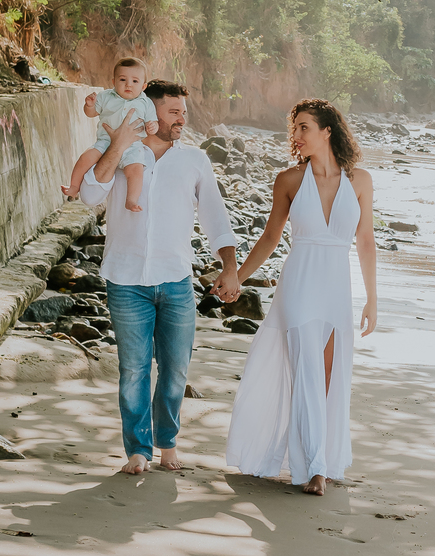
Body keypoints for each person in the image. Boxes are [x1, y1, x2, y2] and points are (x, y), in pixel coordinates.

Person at [80, 80, 240, 474]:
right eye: (174, 112)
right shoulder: (118, 154)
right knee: (134, 370)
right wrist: (118, 143)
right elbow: (89, 195)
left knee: (175, 370)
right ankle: (138, 449)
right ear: (152, 112)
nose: (182, 119)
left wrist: (230, 267)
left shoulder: (194, 160)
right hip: (126, 280)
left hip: (176, 280)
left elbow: (215, 217)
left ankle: (166, 441)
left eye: (184, 112)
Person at [225, 99, 377, 497]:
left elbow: (365, 241)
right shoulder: (289, 180)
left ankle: (315, 457)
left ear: (327, 130)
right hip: (299, 285)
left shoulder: (360, 181)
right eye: (294, 129)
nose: (296, 136)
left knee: (325, 378)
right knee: (308, 371)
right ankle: (316, 469)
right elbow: (270, 238)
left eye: (304, 127)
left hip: (337, 289)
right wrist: (237, 277)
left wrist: (372, 298)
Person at [63, 56, 158, 212]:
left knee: (136, 171)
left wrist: (152, 126)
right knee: (86, 157)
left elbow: (153, 122)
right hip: (105, 141)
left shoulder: (146, 103)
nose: (128, 84)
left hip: (133, 146)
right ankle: (74, 187)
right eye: (123, 79)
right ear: (114, 82)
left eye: (135, 81)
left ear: (143, 86)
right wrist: (89, 106)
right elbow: (91, 113)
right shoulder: (105, 97)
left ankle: (131, 200)